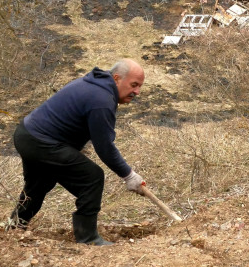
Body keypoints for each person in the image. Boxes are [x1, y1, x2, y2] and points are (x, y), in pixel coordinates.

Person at [8, 58, 150, 245]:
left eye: (139, 86)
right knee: (91, 177)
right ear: (116, 79)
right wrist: (129, 175)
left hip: (27, 134)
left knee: (40, 182)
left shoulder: (95, 84)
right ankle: (88, 238)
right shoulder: (102, 99)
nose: (137, 92)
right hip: (40, 141)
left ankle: (13, 229)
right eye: (133, 85)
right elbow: (105, 147)